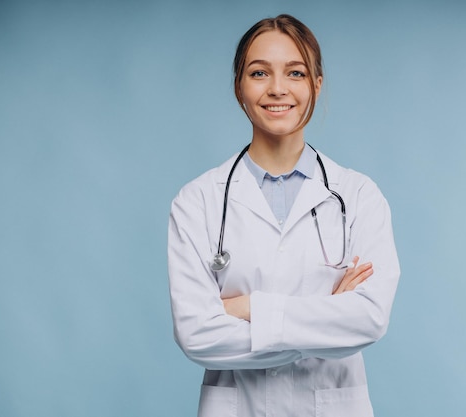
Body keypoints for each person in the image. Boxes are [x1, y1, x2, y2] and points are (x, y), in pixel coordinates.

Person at [168, 14, 400, 417]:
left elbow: (368, 319)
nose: (278, 89)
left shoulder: (359, 196)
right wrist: (327, 314)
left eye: (295, 72)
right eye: (259, 73)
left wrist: (246, 308)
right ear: (239, 86)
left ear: (316, 84)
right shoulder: (198, 201)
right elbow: (196, 334)